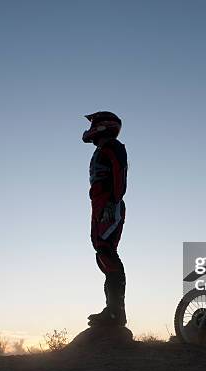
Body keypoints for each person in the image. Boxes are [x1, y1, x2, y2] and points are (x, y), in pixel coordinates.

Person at [82, 111, 128, 327]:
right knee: (101, 252)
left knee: (107, 252)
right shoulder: (103, 148)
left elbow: (120, 173)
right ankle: (111, 309)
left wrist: (114, 201)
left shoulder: (113, 147)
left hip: (109, 204)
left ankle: (116, 312)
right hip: (99, 204)